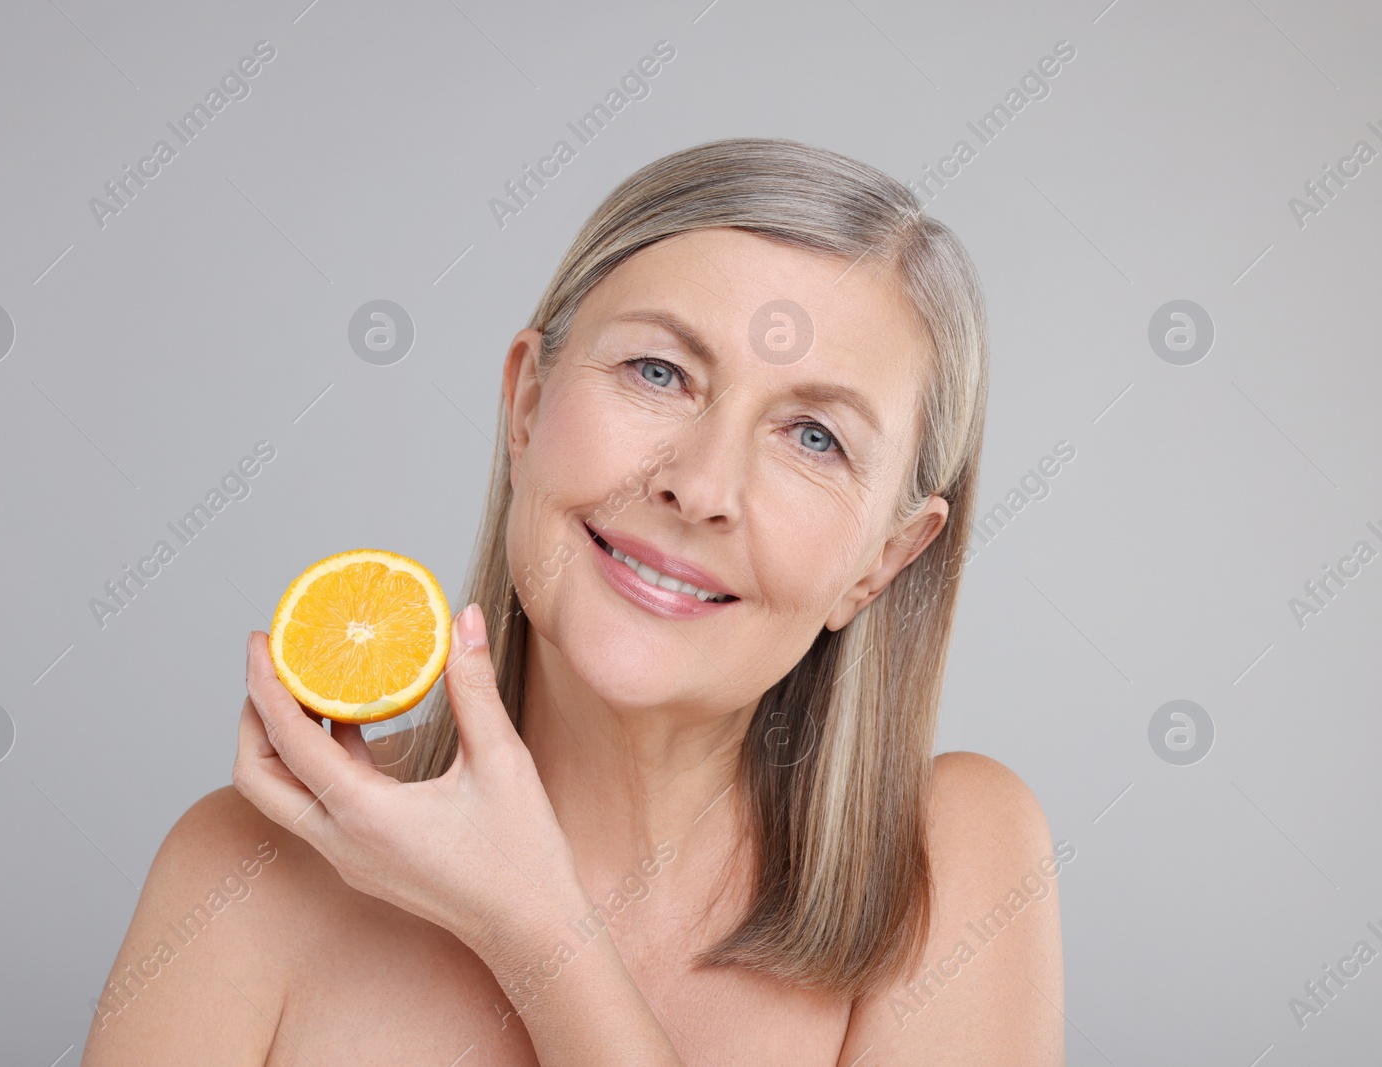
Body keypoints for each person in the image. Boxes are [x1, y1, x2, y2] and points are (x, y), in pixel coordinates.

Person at [82, 137, 1064, 1065]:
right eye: (658, 371)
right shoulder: (243, 873)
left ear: (883, 561)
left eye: (814, 437)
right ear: (525, 403)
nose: (701, 484)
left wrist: (536, 928)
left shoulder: (949, 862)